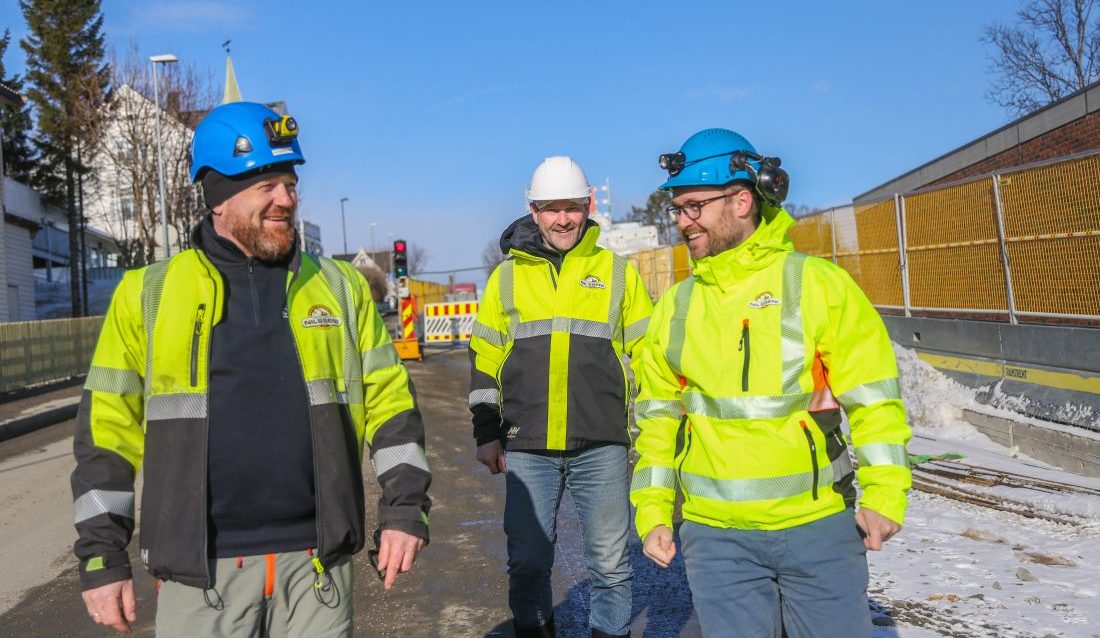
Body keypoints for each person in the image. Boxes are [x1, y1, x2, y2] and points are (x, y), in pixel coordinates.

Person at [71, 102, 431, 636]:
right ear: (218, 196)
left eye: (289, 183)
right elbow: (107, 435)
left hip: (317, 570)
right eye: (266, 186)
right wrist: (102, 556)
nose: (286, 199)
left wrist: (405, 510)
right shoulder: (146, 295)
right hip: (202, 577)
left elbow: (391, 404)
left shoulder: (339, 287)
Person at [631, 128, 912, 638]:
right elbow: (655, 421)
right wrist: (652, 512)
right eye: (678, 208)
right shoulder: (675, 307)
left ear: (741, 200)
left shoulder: (818, 285)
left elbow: (875, 400)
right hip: (716, 539)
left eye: (694, 206)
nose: (681, 221)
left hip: (819, 527)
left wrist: (885, 494)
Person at [469, 156, 653, 638]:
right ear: (533, 211)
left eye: (572, 207)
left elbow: (649, 359)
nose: (563, 218)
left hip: (602, 444)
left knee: (611, 566)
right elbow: (485, 359)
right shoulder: (506, 278)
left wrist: (651, 433)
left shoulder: (617, 273)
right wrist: (487, 433)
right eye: (552, 209)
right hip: (527, 445)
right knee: (528, 563)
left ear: (588, 206)